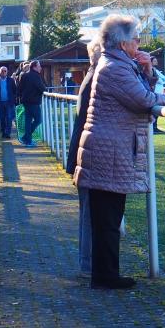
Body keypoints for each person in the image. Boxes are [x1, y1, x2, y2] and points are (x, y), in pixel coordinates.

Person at [73, 14, 165, 290]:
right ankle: (105, 276)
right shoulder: (114, 68)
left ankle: (106, 274)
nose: (140, 44)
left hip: (109, 150)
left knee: (109, 215)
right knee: (106, 217)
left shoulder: (117, 64)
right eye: (136, 39)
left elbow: (141, 92)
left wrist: (147, 71)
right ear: (122, 43)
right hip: (109, 151)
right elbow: (142, 100)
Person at [66, 38, 102, 277]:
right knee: (90, 213)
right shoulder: (94, 81)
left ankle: (89, 263)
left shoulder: (90, 77)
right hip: (86, 154)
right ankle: (88, 265)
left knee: (89, 212)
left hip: (81, 153)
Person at [18, 60, 46, 147]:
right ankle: (26, 137)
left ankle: (27, 140)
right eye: (39, 66)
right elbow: (42, 88)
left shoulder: (24, 75)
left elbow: (19, 88)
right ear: (34, 67)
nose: (40, 68)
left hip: (26, 102)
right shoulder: (36, 76)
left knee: (28, 121)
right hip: (34, 102)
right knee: (38, 120)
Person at [0, 66, 18, 139]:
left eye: (5, 71)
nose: (3, 72)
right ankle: (3, 131)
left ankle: (8, 133)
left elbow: (15, 90)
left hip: (9, 102)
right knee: (2, 118)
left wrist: (13, 99)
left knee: (9, 117)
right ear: (0, 72)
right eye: (2, 71)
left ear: (7, 72)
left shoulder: (11, 80)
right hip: (0, 102)